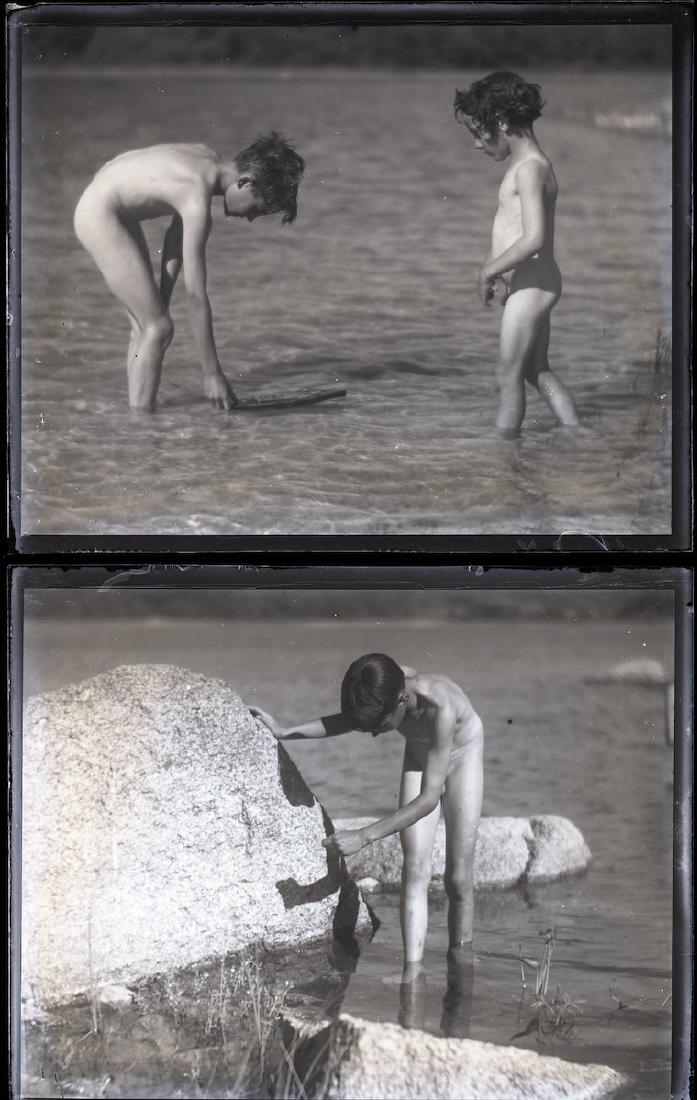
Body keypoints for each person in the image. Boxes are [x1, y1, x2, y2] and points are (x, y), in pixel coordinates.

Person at [250, 654, 483, 978]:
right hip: (420, 755)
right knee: (414, 866)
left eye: (380, 727)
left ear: (401, 701)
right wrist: (285, 731)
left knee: (457, 878)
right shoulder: (381, 687)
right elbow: (345, 720)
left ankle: (461, 961)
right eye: (369, 728)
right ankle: (412, 971)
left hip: (462, 756)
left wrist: (364, 836)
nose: (374, 735)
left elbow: (429, 799)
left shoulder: (440, 707)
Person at [73, 133, 304, 411]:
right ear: (244, 181)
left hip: (107, 203)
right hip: (100, 213)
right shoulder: (196, 198)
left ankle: (135, 419)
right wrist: (212, 374)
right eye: (258, 208)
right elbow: (195, 295)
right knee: (157, 328)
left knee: (148, 327)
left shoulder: (204, 157)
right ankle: (141, 422)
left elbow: (174, 237)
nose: (251, 218)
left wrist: (163, 300)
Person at [454, 72, 581, 438]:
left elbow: (534, 238)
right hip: (532, 282)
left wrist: (487, 272)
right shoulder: (532, 166)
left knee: (506, 375)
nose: (479, 145)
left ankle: (504, 449)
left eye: (480, 133)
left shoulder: (529, 169)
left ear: (503, 123)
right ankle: (575, 432)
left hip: (534, 283)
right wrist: (508, 279)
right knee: (534, 370)